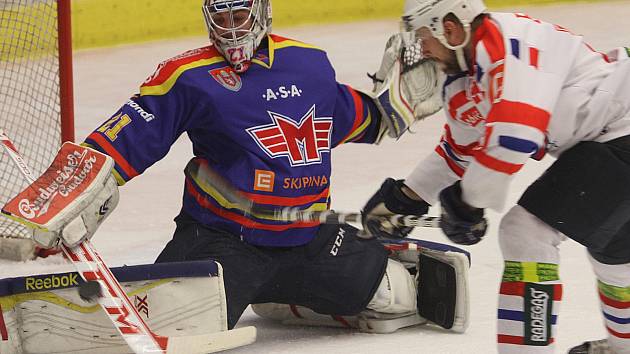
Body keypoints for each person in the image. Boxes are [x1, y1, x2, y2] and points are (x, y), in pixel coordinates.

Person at [5, 0, 469, 337]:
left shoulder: (308, 64)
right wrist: (58, 201)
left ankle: (280, 295)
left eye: (239, 15)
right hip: (223, 241)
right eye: (220, 17)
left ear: (262, 12)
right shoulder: (189, 76)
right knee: (173, 324)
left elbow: (352, 117)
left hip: (307, 237)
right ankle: (258, 290)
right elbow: (122, 139)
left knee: (395, 298)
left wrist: (396, 108)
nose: (230, 29)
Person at [362, 0, 630, 353]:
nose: (421, 48)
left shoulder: (510, 43)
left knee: (525, 231)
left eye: (424, 36)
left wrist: (468, 203)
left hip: (619, 130)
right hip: (609, 136)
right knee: (614, 250)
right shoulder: (465, 81)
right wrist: (406, 200)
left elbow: (516, 136)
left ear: (450, 27)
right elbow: (459, 152)